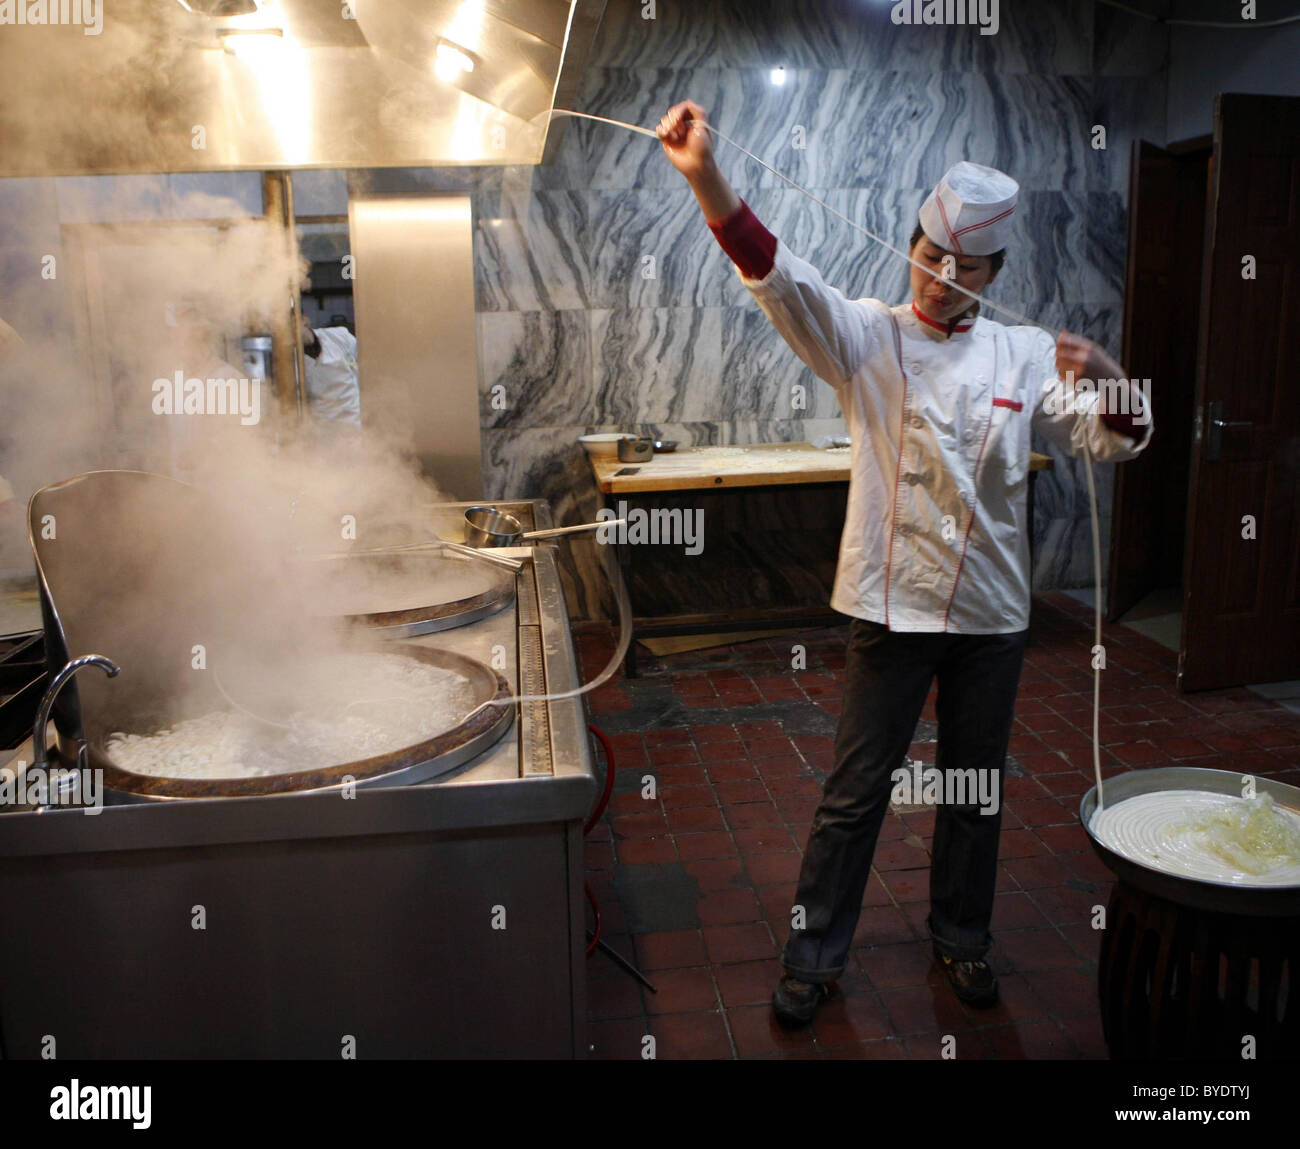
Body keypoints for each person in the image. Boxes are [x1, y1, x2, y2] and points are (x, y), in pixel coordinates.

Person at [657, 100, 1153, 1025]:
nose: (940, 276)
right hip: (889, 607)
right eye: (929, 255)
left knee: (973, 793)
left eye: (965, 266)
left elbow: (1114, 440)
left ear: (995, 273)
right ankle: (813, 955)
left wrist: (1115, 376)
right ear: (911, 248)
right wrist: (705, 177)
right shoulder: (868, 336)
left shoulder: (1024, 349)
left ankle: (963, 940)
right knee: (854, 793)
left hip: (993, 617)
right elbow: (778, 275)